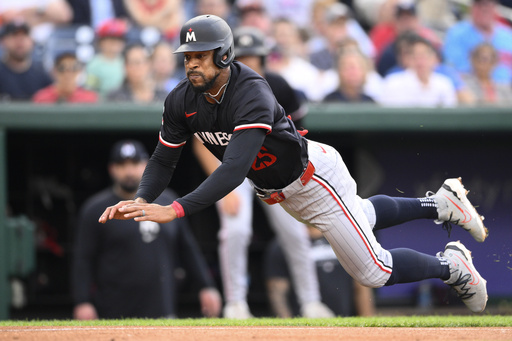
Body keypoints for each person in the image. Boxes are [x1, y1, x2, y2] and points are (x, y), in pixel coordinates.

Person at [99, 15, 489, 316]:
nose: (191, 65)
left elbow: (234, 169)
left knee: (373, 271)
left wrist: (176, 208)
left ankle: (451, 267)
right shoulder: (180, 99)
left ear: (223, 55)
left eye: (200, 56)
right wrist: (142, 198)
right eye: (187, 57)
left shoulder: (250, 91)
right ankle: (439, 205)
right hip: (283, 188)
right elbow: (164, 157)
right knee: (361, 214)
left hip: (313, 178)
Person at [190, 26, 333, 319]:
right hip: (233, 167)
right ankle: (235, 304)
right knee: (236, 230)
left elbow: (300, 137)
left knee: (294, 231)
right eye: (243, 57)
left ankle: (310, 302)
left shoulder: (278, 86)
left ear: (264, 59)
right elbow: (201, 142)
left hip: (273, 166)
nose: (249, 63)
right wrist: (221, 186)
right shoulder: (217, 88)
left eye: (254, 57)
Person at [72, 139, 222, 319]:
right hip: (113, 313)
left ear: (146, 165)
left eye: (135, 164)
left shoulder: (168, 203)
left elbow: (188, 249)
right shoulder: (95, 209)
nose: (129, 171)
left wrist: (206, 286)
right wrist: (83, 301)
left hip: (163, 309)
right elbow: (83, 259)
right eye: (122, 165)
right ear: (112, 169)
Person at [263, 226, 376, 317]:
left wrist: (368, 319)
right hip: (304, 324)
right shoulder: (285, 245)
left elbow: (360, 286)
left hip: (344, 322)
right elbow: (277, 292)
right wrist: (287, 330)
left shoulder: (343, 238)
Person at [443, 0, 512, 84]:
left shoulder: (508, 35)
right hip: (470, 86)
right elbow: (452, 69)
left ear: (495, 8)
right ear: (472, 8)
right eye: (480, 5)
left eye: (489, 5)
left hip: (506, 90)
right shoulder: (457, 33)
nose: (484, 8)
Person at [378, 35, 457, 107]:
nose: (420, 62)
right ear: (409, 59)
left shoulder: (444, 84)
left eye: (424, 56)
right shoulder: (392, 83)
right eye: (416, 57)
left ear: (434, 59)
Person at [0, 20, 52, 101]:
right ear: (3, 41)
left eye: (24, 35)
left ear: (32, 41)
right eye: (14, 35)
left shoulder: (42, 75)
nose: (20, 41)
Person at [32, 51, 98, 103]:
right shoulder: (41, 98)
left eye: (73, 68)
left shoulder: (89, 98)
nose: (68, 73)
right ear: (54, 71)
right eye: (62, 68)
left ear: (79, 71)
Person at [85, 18, 127, 98]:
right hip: (103, 107)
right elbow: (90, 90)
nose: (115, 43)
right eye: (111, 39)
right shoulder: (94, 64)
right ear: (101, 42)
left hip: (125, 104)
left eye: (119, 39)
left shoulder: (125, 61)